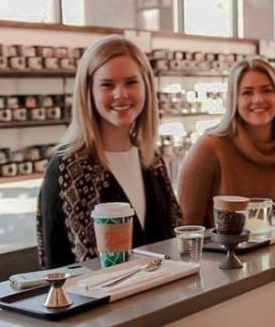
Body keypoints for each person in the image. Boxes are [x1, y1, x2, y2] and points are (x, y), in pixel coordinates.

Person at [37, 36, 180, 268]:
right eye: (107, 85)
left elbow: (172, 241)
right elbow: (56, 265)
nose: (120, 94)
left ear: (146, 86)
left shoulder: (152, 160)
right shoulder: (69, 166)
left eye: (131, 82)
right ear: (88, 91)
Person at [178, 57, 275, 226]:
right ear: (234, 100)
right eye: (247, 92)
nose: (258, 99)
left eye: (267, 90)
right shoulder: (209, 149)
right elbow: (185, 227)